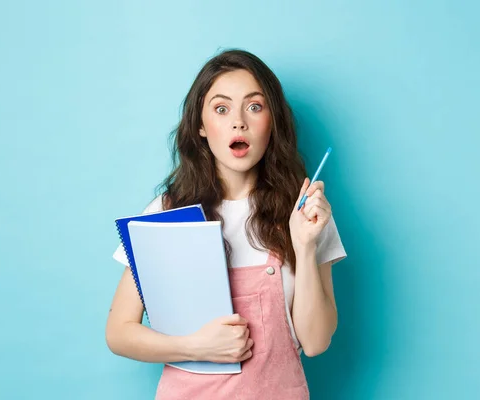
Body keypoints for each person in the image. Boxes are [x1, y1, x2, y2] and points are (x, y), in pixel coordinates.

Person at [106, 49, 347, 399]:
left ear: (273, 121)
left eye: (254, 106)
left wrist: (305, 246)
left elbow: (316, 342)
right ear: (201, 127)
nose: (239, 122)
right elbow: (119, 332)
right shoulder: (166, 212)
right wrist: (196, 346)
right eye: (221, 109)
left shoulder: (304, 212)